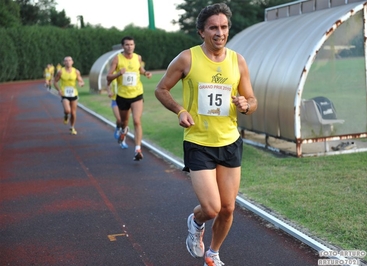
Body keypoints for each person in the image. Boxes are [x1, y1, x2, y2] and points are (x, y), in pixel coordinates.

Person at [155, 3, 257, 266]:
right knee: (211, 208)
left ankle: (213, 253)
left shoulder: (238, 60)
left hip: (230, 141)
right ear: (201, 31)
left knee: (228, 208)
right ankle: (196, 220)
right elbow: (161, 89)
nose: (219, 32)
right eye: (213, 27)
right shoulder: (187, 58)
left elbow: (252, 99)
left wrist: (247, 105)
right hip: (199, 143)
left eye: (224, 27)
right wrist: (179, 110)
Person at [106, 36, 152, 161]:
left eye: (131, 44)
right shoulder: (117, 59)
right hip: (122, 95)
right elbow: (108, 77)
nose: (129, 47)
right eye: (127, 45)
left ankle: (137, 149)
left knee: (137, 120)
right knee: (123, 122)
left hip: (137, 94)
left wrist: (145, 72)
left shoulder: (138, 57)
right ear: (123, 46)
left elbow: (140, 69)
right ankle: (123, 132)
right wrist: (118, 73)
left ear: (134, 46)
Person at [53, 56, 85, 135]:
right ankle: (66, 115)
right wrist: (59, 90)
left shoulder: (76, 71)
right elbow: (55, 82)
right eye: (66, 61)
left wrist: (81, 83)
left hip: (74, 94)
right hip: (65, 94)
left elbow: (80, 80)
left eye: (69, 60)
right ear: (64, 63)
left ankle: (72, 127)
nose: (68, 62)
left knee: (73, 113)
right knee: (68, 110)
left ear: (72, 62)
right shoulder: (61, 72)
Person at [106, 75, 128, 149]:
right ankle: (118, 127)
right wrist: (109, 92)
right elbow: (108, 84)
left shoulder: (125, 74)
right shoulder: (114, 74)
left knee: (124, 122)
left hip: (125, 99)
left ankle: (123, 141)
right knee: (119, 119)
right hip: (115, 100)